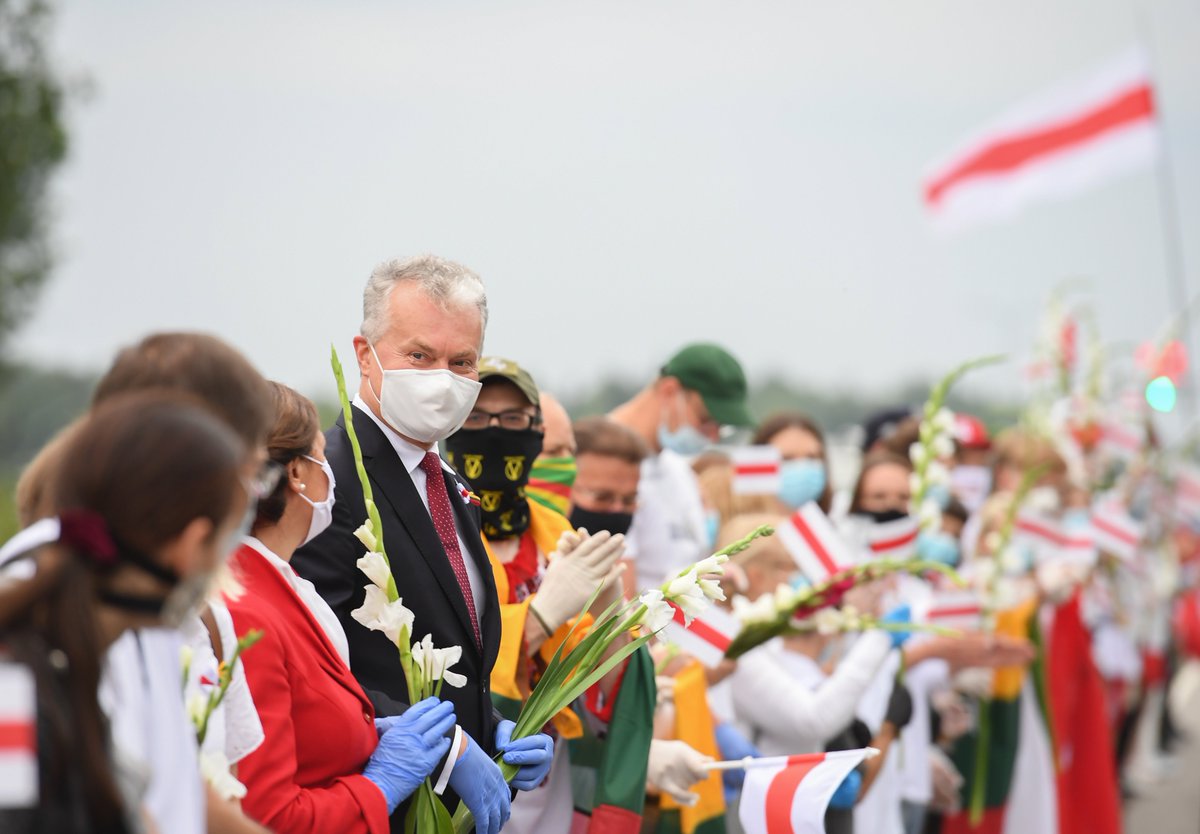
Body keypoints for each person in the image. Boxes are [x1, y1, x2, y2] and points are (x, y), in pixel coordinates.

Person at [291, 255, 550, 832]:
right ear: (364, 355)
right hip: (374, 803)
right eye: (419, 356)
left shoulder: (448, 482)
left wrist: (492, 724)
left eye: (462, 361)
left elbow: (454, 637)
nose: (443, 377)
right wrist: (447, 751)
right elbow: (319, 661)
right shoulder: (327, 482)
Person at [6, 332, 277, 834]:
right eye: (254, 475)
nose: (253, 499)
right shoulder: (23, 661)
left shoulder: (129, 600)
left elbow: (159, 788)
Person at [228, 382, 458, 832]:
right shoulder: (246, 612)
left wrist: (368, 734)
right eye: (323, 458)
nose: (331, 476)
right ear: (296, 472)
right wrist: (378, 788)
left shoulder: (285, 584)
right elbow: (269, 816)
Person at [443, 357, 620, 834]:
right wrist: (539, 615)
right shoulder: (435, 531)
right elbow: (444, 658)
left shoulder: (554, 531)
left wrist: (613, 612)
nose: (495, 433)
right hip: (461, 777)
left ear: (535, 434)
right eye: (477, 418)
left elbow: (595, 672)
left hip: (549, 779)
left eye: (514, 419)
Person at [609, 343, 754, 591]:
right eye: (707, 420)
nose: (714, 436)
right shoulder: (603, 466)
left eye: (722, 427)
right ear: (669, 391)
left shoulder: (678, 471)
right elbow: (618, 608)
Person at [753, 412, 834, 512]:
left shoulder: (838, 524)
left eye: (811, 457)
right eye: (787, 458)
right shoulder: (737, 526)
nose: (802, 467)